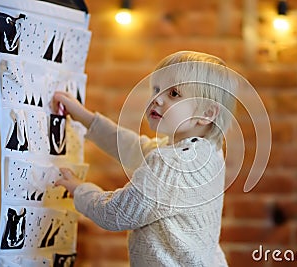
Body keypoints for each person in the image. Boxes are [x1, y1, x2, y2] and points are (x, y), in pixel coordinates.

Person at [54, 51, 238, 266]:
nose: (157, 99)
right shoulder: (207, 151)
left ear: (207, 113)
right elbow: (136, 148)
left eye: (174, 94)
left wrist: (80, 189)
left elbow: (115, 213)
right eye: (157, 89)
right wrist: (86, 118)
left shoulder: (176, 163)